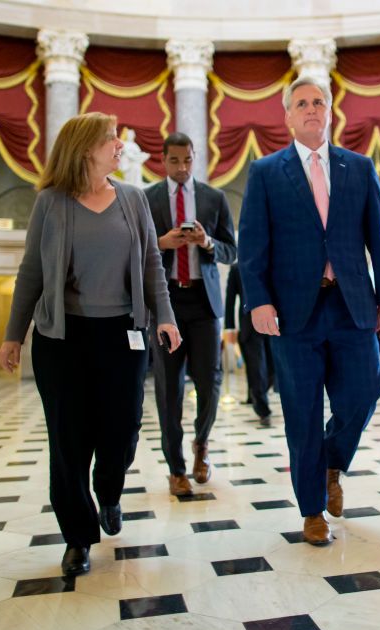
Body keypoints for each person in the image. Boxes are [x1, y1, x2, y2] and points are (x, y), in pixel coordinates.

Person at [0, 111, 181, 577]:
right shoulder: (51, 202)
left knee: (122, 429)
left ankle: (111, 490)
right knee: (68, 439)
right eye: (111, 139)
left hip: (124, 334)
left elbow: (152, 265)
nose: (120, 145)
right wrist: (13, 334)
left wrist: (165, 317)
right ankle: (77, 537)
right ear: (85, 150)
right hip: (63, 339)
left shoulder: (134, 199)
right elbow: (31, 273)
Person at [238, 76, 380, 546]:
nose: (311, 109)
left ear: (330, 112)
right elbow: (253, 246)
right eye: (302, 103)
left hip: (352, 305)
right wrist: (258, 300)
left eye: (318, 102)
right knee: (301, 412)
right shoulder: (266, 172)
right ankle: (312, 510)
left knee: (365, 392)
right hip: (293, 313)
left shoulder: (359, 167)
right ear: (288, 116)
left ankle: (332, 463)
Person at [144, 132, 237, 496]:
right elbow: (135, 248)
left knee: (210, 381)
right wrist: (162, 243)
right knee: (168, 388)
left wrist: (207, 242)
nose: (182, 168)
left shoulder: (214, 198)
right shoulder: (147, 198)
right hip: (166, 302)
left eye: (188, 161)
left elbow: (233, 252)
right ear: (163, 160)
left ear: (195, 157)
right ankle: (176, 468)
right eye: (174, 161)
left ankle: (202, 444)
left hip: (204, 302)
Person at [225, 263, 272, 427]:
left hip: (276, 324)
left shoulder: (274, 262)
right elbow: (230, 300)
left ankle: (256, 395)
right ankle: (263, 410)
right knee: (257, 369)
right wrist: (229, 328)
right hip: (249, 326)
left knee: (272, 369)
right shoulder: (237, 269)